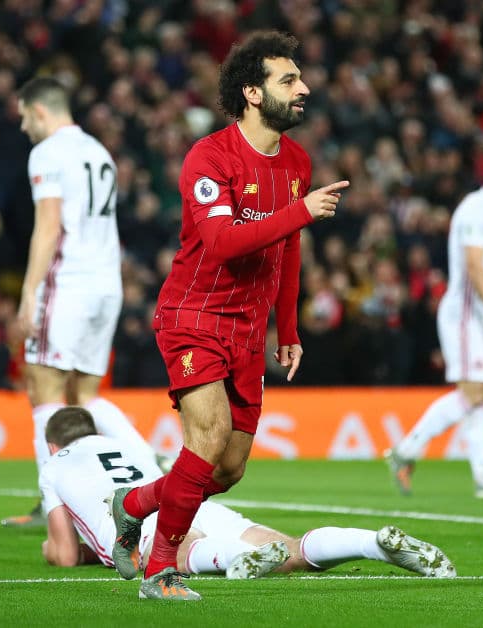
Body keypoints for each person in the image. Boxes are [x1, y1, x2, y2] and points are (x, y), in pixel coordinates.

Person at [109, 30, 350, 601]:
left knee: (228, 468)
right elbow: (219, 242)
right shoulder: (208, 158)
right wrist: (299, 210)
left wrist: (286, 329)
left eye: (300, 78)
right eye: (288, 80)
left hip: (247, 328)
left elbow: (287, 247)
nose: (304, 89)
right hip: (192, 314)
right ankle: (160, 569)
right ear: (251, 92)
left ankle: (135, 503)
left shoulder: (295, 161)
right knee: (210, 434)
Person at [40, 407, 456, 583]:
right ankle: (372, 544)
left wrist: (51, 547)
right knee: (289, 550)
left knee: (185, 553)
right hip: (194, 503)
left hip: (144, 522)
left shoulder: (54, 465)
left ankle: (231, 559)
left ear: (53, 446)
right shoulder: (128, 445)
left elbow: (63, 554)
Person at [5, 76, 159, 529]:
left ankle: (52, 508)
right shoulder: (97, 150)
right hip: (105, 282)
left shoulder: (48, 152)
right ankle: (150, 468)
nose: (22, 128)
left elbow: (49, 226)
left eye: (23, 117)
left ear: (38, 111)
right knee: (87, 395)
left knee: (44, 388)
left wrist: (29, 291)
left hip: (68, 282)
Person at [384, 151, 483, 500]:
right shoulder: (478, 209)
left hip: (478, 314)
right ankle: (405, 450)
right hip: (467, 314)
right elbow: (474, 265)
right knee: (474, 391)